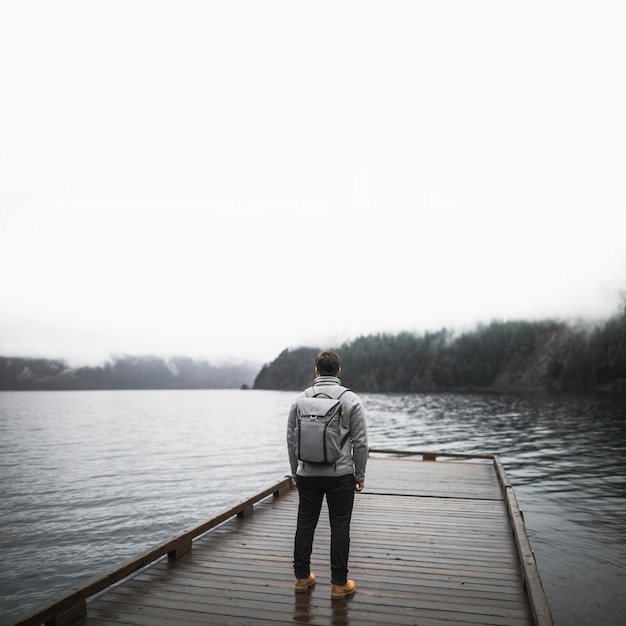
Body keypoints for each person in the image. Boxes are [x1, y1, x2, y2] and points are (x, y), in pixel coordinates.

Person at [286, 350, 368, 600]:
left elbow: (291, 440)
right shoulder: (351, 400)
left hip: (307, 474)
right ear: (339, 372)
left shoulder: (300, 400)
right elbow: (361, 442)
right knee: (340, 526)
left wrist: (294, 472)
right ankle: (339, 584)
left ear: (316, 371)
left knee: (305, 524)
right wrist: (359, 474)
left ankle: (302, 579)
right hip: (340, 474)